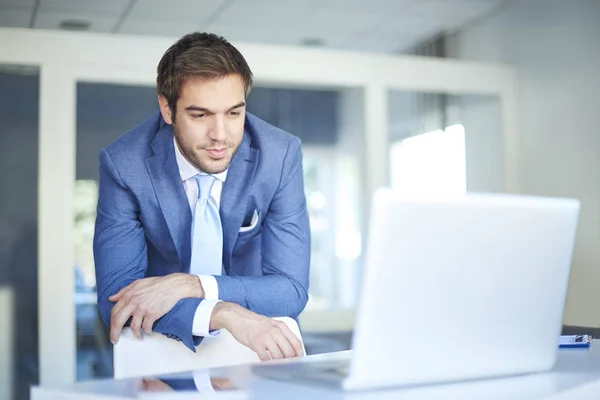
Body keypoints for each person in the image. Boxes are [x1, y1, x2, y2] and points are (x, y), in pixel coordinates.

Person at [93, 32, 310, 361]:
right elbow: (117, 299)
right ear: (167, 109)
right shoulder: (125, 165)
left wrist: (192, 284)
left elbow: (291, 289)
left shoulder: (279, 156)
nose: (220, 135)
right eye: (200, 115)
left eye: (234, 113)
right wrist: (222, 312)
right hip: (161, 339)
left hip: (255, 340)